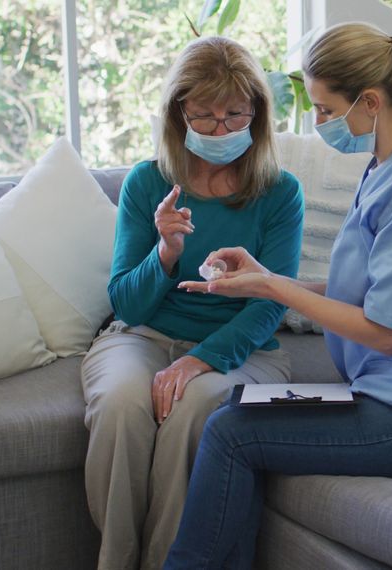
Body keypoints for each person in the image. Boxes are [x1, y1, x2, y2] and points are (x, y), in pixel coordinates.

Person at [164, 22, 392, 569]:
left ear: (370, 102)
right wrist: (265, 275)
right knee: (236, 414)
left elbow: (389, 333)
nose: (319, 123)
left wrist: (274, 287)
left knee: (232, 434)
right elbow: (371, 292)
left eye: (326, 110)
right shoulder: (386, 168)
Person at [79, 36, 303, 570]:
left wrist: (198, 359)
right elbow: (126, 305)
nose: (221, 130)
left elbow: (271, 302)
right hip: (143, 335)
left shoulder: (280, 192)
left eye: (234, 115)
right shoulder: (147, 181)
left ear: (258, 113)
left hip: (241, 349)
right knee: (121, 406)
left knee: (193, 410)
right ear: (179, 114)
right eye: (204, 116)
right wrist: (166, 251)